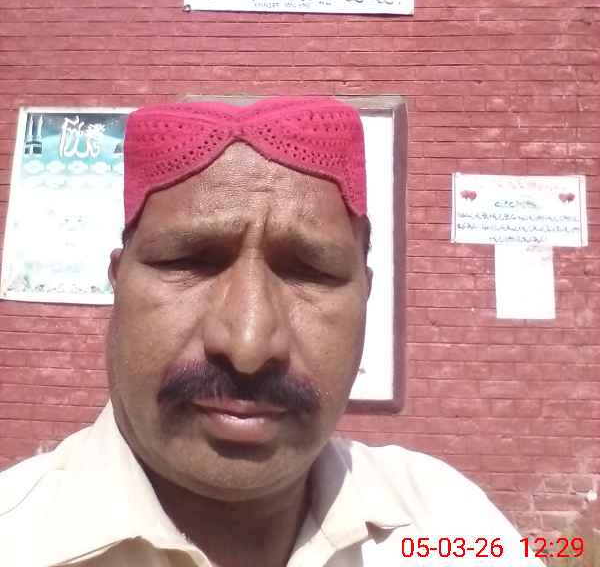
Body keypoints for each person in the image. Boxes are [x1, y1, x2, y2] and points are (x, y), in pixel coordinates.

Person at [0, 97, 535, 567]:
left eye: (311, 273)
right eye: (189, 262)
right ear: (118, 283)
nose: (249, 346)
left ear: (365, 297)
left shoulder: (453, 528)